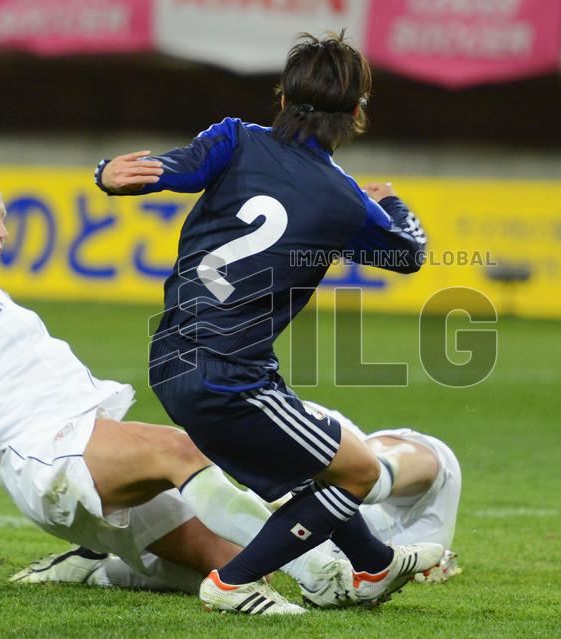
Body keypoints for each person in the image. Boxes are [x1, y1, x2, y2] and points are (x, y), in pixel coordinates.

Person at [0, 102, 350, 614]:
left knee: (223, 556)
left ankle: (96, 565)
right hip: (53, 453)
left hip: (80, 453)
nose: (1, 231)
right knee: (180, 450)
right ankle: (319, 569)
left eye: (4, 219)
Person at [95, 31, 441, 614]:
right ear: (357, 115)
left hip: (173, 359)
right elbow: (409, 253)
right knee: (358, 472)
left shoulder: (235, 137)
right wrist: (393, 202)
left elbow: (164, 170)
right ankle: (232, 583)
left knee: (309, 472)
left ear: (280, 98)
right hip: (229, 377)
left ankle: (374, 566)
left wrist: (106, 172)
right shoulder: (345, 200)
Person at [12, 401, 462, 595]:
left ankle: (100, 566)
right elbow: (375, 473)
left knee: (249, 572)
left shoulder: (425, 536)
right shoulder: (433, 466)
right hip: (305, 447)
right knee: (372, 476)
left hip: (290, 494)